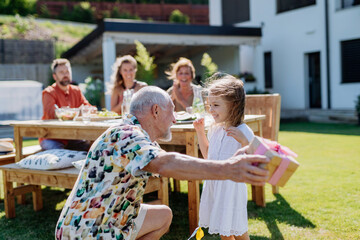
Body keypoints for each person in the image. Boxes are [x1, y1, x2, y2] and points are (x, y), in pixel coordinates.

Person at [55, 86, 269, 240]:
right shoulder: (128, 135)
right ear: (156, 111)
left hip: (113, 218)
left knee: (163, 215)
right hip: (87, 230)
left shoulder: (139, 136)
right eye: (172, 111)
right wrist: (229, 169)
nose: (175, 119)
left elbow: (173, 161)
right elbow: (166, 163)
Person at [193, 74, 253, 240]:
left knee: (239, 232)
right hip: (215, 187)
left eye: (216, 105)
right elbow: (208, 157)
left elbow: (254, 160)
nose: (211, 109)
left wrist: (244, 141)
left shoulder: (244, 131)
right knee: (223, 231)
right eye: (209, 105)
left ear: (233, 105)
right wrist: (200, 133)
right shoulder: (215, 129)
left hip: (231, 190)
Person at [40, 58, 92, 151]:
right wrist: (77, 112)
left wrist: (85, 110)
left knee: (92, 148)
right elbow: (53, 114)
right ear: (55, 76)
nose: (65, 75)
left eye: (67, 71)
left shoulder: (76, 90)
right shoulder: (48, 93)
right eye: (61, 72)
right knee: (59, 154)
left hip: (73, 137)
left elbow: (88, 107)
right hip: (52, 138)